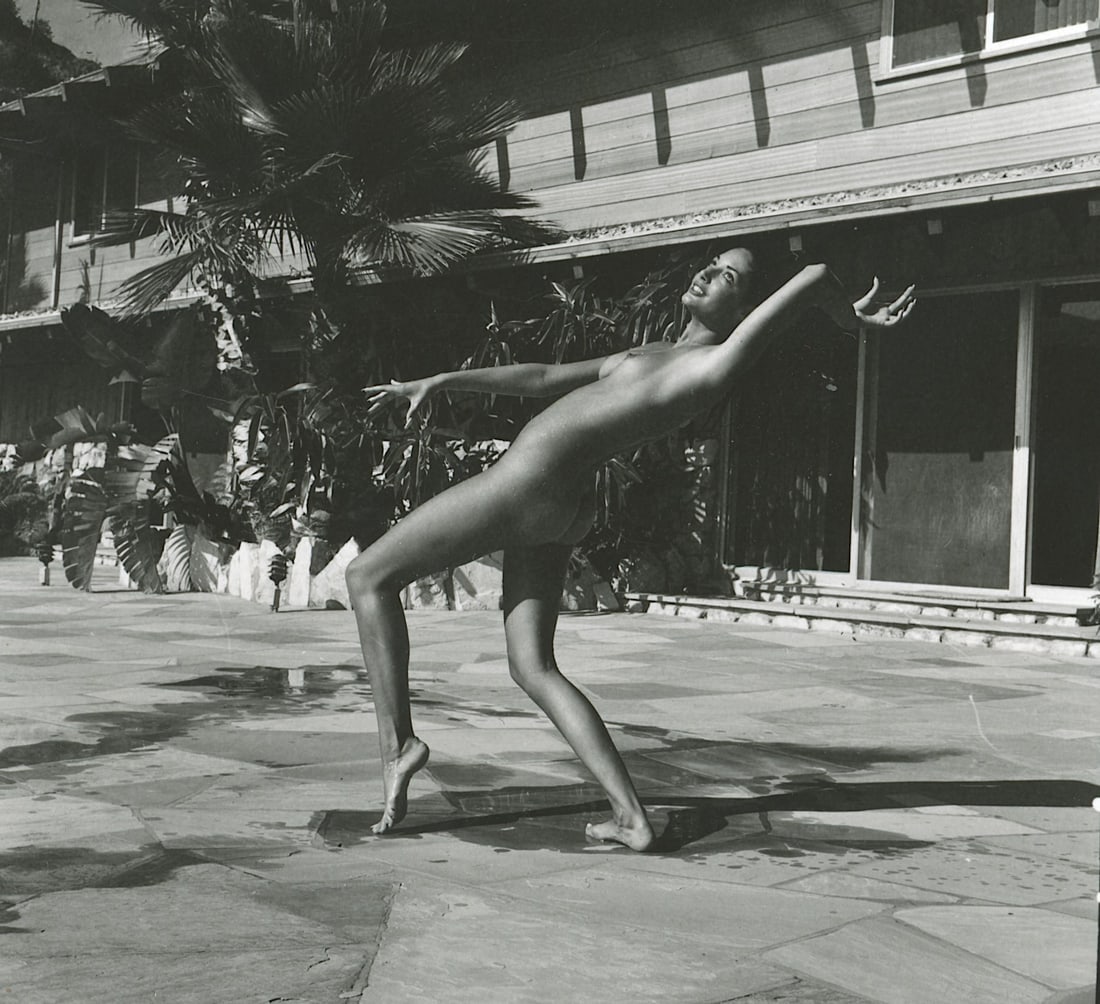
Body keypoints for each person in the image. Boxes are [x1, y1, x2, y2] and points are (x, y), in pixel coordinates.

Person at [351, 248, 916, 850]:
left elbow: (815, 273)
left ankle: (400, 744)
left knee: (368, 577)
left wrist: (849, 320)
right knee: (532, 666)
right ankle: (631, 818)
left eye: (728, 277)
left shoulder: (712, 365)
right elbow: (544, 377)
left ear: (744, 310)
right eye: (712, 263)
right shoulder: (650, 354)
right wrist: (441, 382)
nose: (705, 274)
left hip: (525, 484)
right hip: (560, 505)